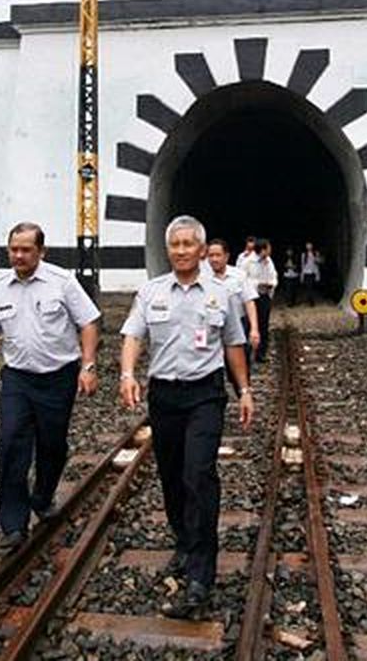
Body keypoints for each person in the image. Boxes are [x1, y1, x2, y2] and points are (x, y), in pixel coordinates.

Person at [119, 215, 254, 620]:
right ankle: (184, 539)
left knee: (199, 474)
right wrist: (127, 374)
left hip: (205, 394)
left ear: (201, 249)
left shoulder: (221, 293)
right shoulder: (151, 291)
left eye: (187, 244)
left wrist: (244, 390)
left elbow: (233, 343)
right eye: (174, 244)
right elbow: (133, 335)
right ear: (168, 249)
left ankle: (201, 573)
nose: (180, 251)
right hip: (164, 395)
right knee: (173, 476)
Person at [0, 222, 101, 550]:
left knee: (52, 445)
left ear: (41, 252)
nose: (19, 255)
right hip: (18, 379)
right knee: (11, 443)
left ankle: (42, 497)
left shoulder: (62, 282)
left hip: (58, 377)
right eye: (14, 249)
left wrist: (88, 365)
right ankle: (13, 523)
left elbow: (88, 322)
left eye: (26, 249)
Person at [206, 238, 262, 386]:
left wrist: (254, 329)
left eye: (218, 255)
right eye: (211, 255)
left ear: (226, 256)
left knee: (238, 367)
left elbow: (249, 302)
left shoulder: (239, 276)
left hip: (238, 324)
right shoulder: (202, 277)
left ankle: (243, 393)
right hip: (212, 325)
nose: (214, 259)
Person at [246, 239, 278, 361]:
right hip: (252, 297)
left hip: (265, 296)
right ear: (263, 249)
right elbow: (243, 279)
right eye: (268, 248)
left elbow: (274, 275)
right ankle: (248, 352)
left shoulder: (269, 261)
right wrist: (257, 284)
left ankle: (261, 353)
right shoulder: (248, 262)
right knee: (251, 325)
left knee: (264, 325)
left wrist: (271, 284)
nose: (270, 250)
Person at [299, 241, 322, 306]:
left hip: (313, 272)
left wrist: (318, 274)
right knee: (308, 287)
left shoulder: (315, 253)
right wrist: (302, 275)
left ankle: (311, 300)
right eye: (307, 245)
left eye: (310, 245)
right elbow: (302, 265)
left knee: (311, 287)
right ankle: (310, 300)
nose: (309, 246)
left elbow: (318, 263)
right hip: (306, 272)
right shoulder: (304, 254)